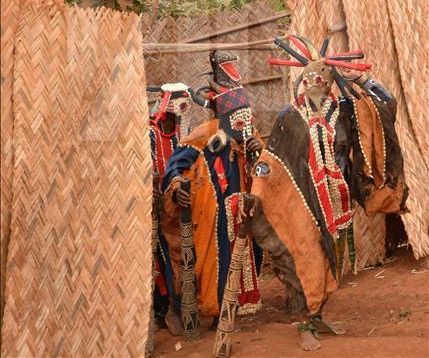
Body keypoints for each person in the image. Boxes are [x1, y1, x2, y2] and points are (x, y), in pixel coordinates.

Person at [249, 35, 408, 351]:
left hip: (336, 201)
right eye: (308, 79)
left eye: (320, 79)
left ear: (330, 82)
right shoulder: (290, 116)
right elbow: (274, 157)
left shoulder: (345, 109)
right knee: (310, 258)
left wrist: (360, 78)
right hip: (304, 201)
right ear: (301, 82)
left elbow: (385, 105)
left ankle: (317, 312)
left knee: (330, 262)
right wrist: (259, 182)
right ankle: (307, 320)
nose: (314, 84)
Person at [160, 51, 263, 326]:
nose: (240, 127)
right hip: (210, 215)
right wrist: (177, 187)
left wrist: (257, 153)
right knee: (210, 261)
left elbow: (264, 172)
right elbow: (175, 166)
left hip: (240, 211)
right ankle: (210, 311)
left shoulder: (248, 134)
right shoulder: (204, 135)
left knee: (240, 259)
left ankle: (231, 310)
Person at [148, 82, 194, 335]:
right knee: (159, 255)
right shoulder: (149, 133)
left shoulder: (179, 134)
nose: (179, 117)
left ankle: (178, 305)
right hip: (153, 206)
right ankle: (163, 309)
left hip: (175, 204)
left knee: (177, 251)